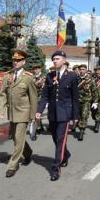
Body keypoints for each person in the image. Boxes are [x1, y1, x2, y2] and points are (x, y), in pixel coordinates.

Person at [36, 50, 79, 181]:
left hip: (65, 114)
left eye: (58, 59)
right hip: (52, 114)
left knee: (60, 140)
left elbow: (75, 98)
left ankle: (56, 168)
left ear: (64, 60)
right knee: (55, 139)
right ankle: (65, 155)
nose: (55, 61)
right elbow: (45, 96)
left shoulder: (71, 76)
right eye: (53, 59)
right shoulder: (50, 76)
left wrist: (75, 116)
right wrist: (39, 110)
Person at [0, 50, 38, 178]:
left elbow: (33, 97)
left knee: (17, 138)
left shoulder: (28, 77)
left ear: (24, 62)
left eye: (18, 60)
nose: (15, 62)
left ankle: (12, 165)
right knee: (17, 138)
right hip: (12, 112)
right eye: (14, 60)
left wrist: (33, 117)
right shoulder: (8, 76)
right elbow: (2, 93)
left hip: (23, 112)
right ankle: (28, 152)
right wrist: (2, 109)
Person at [77, 64, 97, 141]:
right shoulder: (75, 78)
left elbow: (94, 91)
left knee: (84, 115)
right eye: (80, 69)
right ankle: (80, 125)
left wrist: (95, 102)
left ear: (86, 70)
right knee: (78, 116)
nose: (82, 71)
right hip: (77, 101)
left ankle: (81, 131)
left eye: (83, 69)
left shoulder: (90, 80)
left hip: (86, 101)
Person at [32, 63, 46, 134]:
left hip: (41, 98)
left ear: (40, 69)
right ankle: (40, 126)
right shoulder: (32, 77)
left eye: (36, 69)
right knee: (36, 113)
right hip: (34, 97)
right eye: (34, 69)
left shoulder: (43, 77)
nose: (35, 70)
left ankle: (38, 127)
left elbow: (38, 85)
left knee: (37, 113)